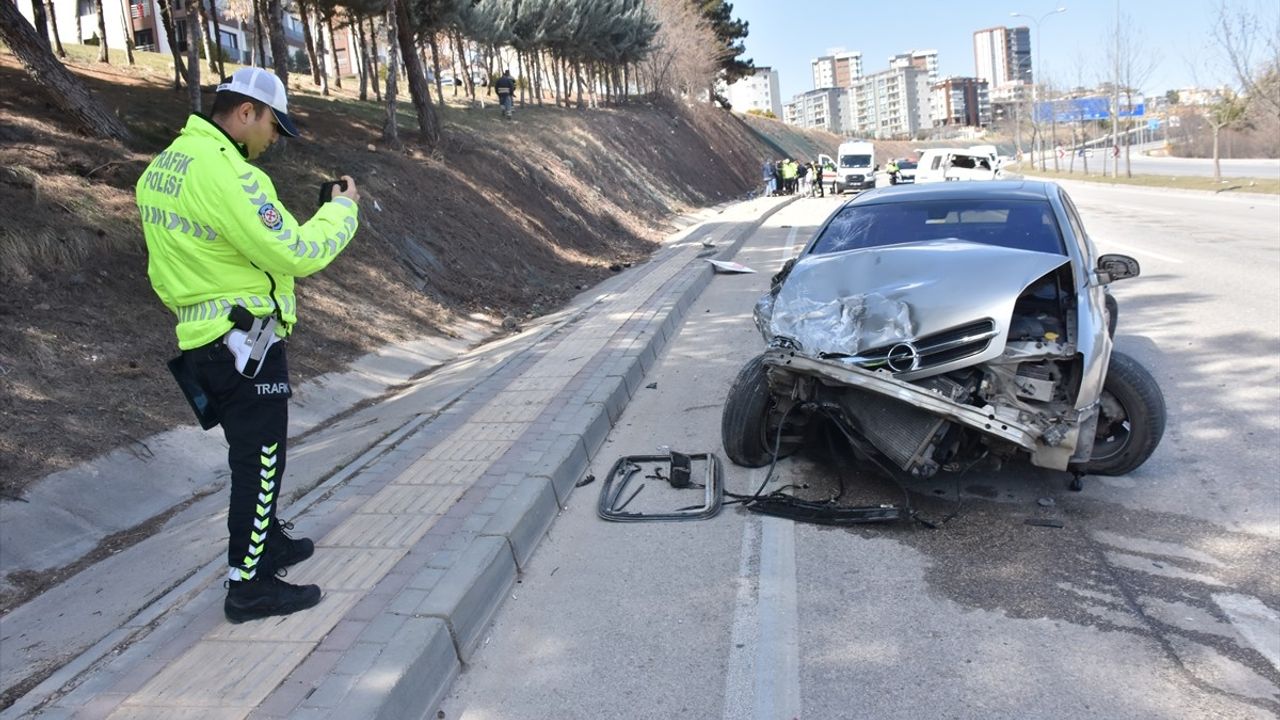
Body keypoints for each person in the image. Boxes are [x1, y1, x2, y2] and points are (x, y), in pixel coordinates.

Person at [135, 67, 361, 623]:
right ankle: (249, 586)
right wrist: (341, 210)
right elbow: (297, 253)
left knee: (257, 457)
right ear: (245, 112)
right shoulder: (230, 174)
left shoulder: (164, 167)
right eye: (273, 126)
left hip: (202, 338)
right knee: (259, 462)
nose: (273, 139)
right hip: (243, 344)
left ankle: (268, 545)